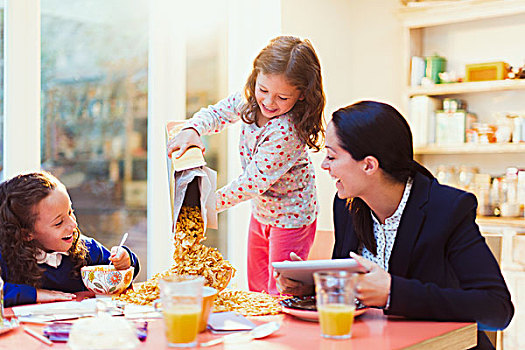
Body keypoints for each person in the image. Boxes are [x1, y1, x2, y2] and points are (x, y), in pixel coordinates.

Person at [276, 101, 513, 350]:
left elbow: (497, 309)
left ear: (369, 165)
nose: (324, 165)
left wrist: (394, 293)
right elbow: (353, 287)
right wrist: (314, 287)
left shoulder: (448, 209)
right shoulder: (347, 205)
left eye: (332, 156)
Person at [167, 36, 325, 294]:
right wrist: (194, 128)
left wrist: (203, 207)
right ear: (255, 79)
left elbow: (252, 183)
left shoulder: (287, 131)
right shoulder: (249, 101)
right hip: (261, 212)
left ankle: (281, 333)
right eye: (263, 90)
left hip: (292, 219)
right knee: (256, 287)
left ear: (302, 94)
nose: (269, 102)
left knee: (280, 292)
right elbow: (217, 113)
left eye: (282, 97)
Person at [0, 172, 140, 307]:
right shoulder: (6, 258)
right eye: (59, 223)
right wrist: (35, 294)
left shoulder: (88, 249)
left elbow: (123, 273)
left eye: (70, 212)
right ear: (27, 234)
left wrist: (125, 261)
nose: (73, 224)